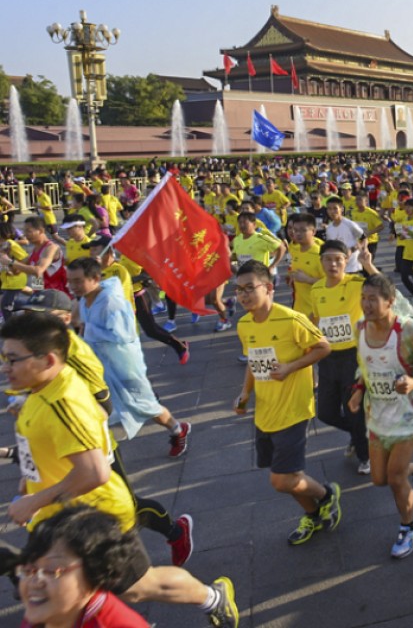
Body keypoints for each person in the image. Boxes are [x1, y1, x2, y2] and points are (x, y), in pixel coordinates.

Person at [1, 312, 238, 627]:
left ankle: (214, 597)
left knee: (138, 588)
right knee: (67, 593)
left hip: (94, 517)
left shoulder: (63, 403)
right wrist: (30, 480)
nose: (5, 367)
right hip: (60, 517)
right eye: (4, 358)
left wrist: (35, 500)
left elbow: (94, 473)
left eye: (13, 359)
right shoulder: (39, 388)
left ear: (47, 360)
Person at [232, 260, 341, 546]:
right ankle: (314, 514)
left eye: (249, 288)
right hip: (265, 411)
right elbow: (253, 362)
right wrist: (245, 393)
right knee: (289, 476)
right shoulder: (244, 324)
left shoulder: (291, 319)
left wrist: (291, 367)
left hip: (293, 409)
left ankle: (328, 494)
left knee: (281, 479)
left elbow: (323, 347)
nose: (243, 295)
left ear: (268, 288)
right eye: (238, 290)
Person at [349, 273, 413, 558]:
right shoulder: (360, 329)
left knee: (395, 479)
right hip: (377, 415)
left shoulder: (409, 331)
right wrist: (357, 390)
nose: (366, 304)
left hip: (407, 415)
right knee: (379, 478)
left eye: (372, 299)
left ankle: (408, 528)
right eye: (363, 298)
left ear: (390, 302)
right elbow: (363, 368)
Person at [65, 258, 190, 455]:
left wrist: (88, 330)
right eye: (70, 281)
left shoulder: (110, 301)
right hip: (100, 365)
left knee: (146, 405)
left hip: (125, 365)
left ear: (96, 278)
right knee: (99, 404)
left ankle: (177, 429)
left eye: (78, 281)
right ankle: (102, 450)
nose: (73, 286)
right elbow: (80, 326)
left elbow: (124, 333)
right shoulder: (84, 299)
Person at [17, 505, 151, 627]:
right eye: (29, 570)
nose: (34, 582)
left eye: (51, 571)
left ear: (94, 573)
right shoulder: (46, 613)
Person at [310, 241, 378, 476]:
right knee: (326, 413)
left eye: (338, 259)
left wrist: (368, 266)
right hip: (328, 357)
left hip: (354, 356)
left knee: (354, 410)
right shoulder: (316, 289)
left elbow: (387, 290)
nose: (333, 264)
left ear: (347, 259)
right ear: (321, 262)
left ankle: (365, 455)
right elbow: (317, 320)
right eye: (328, 259)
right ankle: (360, 434)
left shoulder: (357, 283)